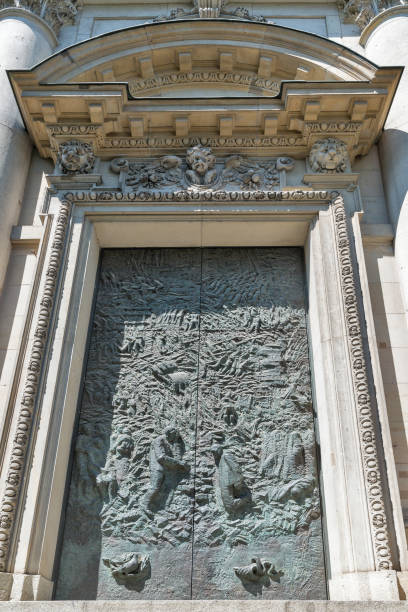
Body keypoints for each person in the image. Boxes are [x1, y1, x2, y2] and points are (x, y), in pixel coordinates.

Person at [144, 425, 189, 510]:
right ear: (169, 433)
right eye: (174, 435)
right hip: (157, 467)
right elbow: (161, 457)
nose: (175, 437)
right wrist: (179, 463)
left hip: (168, 468)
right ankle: (145, 505)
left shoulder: (171, 442)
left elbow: (176, 455)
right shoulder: (159, 440)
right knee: (155, 487)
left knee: (169, 487)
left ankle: (164, 507)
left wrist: (176, 446)